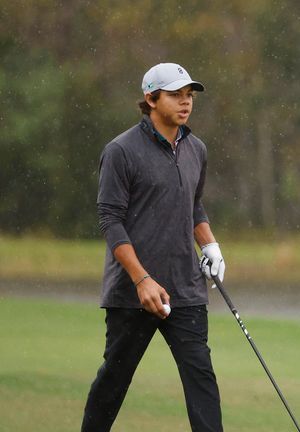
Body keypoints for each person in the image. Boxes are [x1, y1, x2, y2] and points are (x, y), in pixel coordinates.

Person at [81, 63, 226, 432]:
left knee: (201, 380)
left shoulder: (197, 149)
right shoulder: (121, 151)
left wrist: (209, 245)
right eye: (176, 94)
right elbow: (110, 220)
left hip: (185, 288)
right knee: (114, 380)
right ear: (150, 98)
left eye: (189, 95)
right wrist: (142, 279)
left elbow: (193, 204)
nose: (186, 102)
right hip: (134, 292)